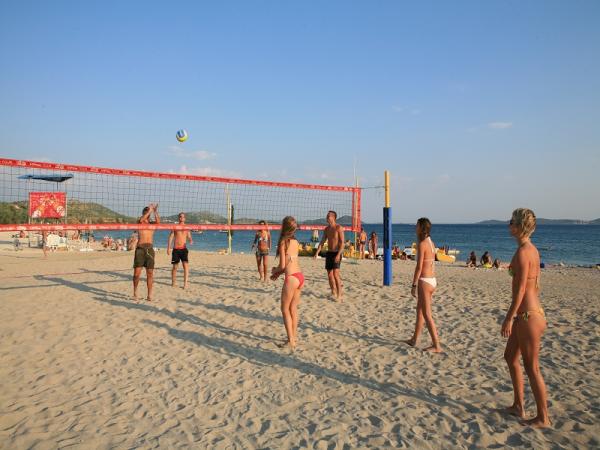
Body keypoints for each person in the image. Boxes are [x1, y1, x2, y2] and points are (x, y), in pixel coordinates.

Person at [501, 208, 550, 427]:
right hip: (529, 314)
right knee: (510, 357)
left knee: (532, 368)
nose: (509, 224)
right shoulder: (530, 249)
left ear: (520, 226)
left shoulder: (524, 252)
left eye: (512, 221)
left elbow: (521, 290)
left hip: (529, 316)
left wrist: (509, 318)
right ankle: (518, 405)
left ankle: (543, 417)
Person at [404, 218, 442, 353]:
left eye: (417, 226)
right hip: (432, 280)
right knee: (419, 311)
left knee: (427, 314)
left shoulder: (422, 244)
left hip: (425, 281)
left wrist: (414, 284)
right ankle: (414, 339)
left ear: (422, 228)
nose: (415, 228)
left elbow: (419, 267)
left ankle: (437, 346)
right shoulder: (431, 243)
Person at [271, 216, 304, 350]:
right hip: (300, 277)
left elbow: (283, 265)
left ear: (283, 227)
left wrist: (275, 270)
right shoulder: (295, 241)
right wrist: (278, 274)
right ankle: (293, 337)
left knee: (284, 309)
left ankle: (291, 341)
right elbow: (290, 263)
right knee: (293, 309)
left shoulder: (284, 242)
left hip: (291, 278)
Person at [314, 210, 345, 301]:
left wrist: (338, 254)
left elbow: (342, 243)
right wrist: (317, 253)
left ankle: (339, 295)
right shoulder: (327, 229)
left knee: (335, 274)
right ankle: (333, 292)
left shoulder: (339, 228)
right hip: (329, 253)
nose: (327, 217)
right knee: (330, 275)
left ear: (333, 217)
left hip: (337, 252)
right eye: (327, 216)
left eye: (328, 216)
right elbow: (322, 242)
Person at [133, 203, 160, 301]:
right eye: (146, 212)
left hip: (150, 249)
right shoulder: (139, 222)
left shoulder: (152, 225)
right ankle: (135, 292)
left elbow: (158, 222)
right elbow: (141, 219)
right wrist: (150, 210)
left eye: (148, 213)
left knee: (150, 273)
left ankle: (149, 295)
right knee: (137, 274)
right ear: (144, 213)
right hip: (140, 249)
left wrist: (155, 211)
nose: (147, 215)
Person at [167, 212, 193, 289]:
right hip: (176, 249)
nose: (181, 218)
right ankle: (173, 282)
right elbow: (171, 237)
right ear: (179, 218)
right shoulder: (175, 226)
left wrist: (190, 240)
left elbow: (189, 236)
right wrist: (168, 248)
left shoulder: (187, 227)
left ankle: (185, 284)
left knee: (186, 266)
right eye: (180, 217)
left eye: (183, 217)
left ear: (185, 218)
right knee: (175, 267)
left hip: (183, 249)